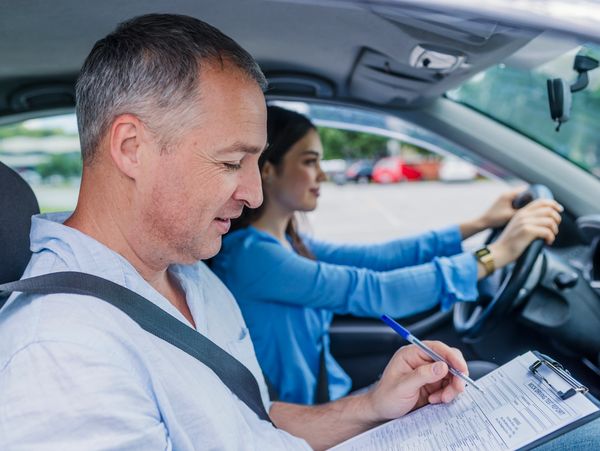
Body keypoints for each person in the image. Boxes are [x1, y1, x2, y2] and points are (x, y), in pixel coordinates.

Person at [0, 13, 471, 451]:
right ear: (131, 148)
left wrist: (372, 408)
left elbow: (251, 422)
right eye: (230, 162)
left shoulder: (190, 276)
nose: (254, 194)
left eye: (255, 163)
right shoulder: (63, 356)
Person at [211, 105, 564, 405]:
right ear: (268, 169)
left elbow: (378, 258)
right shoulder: (252, 257)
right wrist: (495, 255)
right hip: (307, 419)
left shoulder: (286, 244)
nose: (322, 174)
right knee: (484, 382)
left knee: (478, 381)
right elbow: (374, 290)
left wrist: (480, 223)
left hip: (329, 394)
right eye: (309, 161)